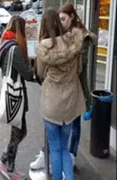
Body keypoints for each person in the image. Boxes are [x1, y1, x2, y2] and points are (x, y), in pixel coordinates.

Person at [30, 3, 96, 170]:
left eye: (64, 18)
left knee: (57, 145)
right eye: (59, 19)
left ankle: (62, 161)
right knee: (62, 146)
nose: (61, 22)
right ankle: (59, 160)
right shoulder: (73, 42)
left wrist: (87, 99)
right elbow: (79, 69)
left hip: (59, 100)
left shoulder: (76, 41)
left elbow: (82, 73)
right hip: (72, 98)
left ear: (72, 17)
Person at [0, 15, 40, 180]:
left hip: (11, 93)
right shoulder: (14, 49)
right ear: (20, 29)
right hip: (16, 96)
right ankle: (9, 167)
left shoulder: (6, 44)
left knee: (20, 131)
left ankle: (4, 158)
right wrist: (35, 68)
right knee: (18, 132)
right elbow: (27, 74)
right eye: (25, 29)